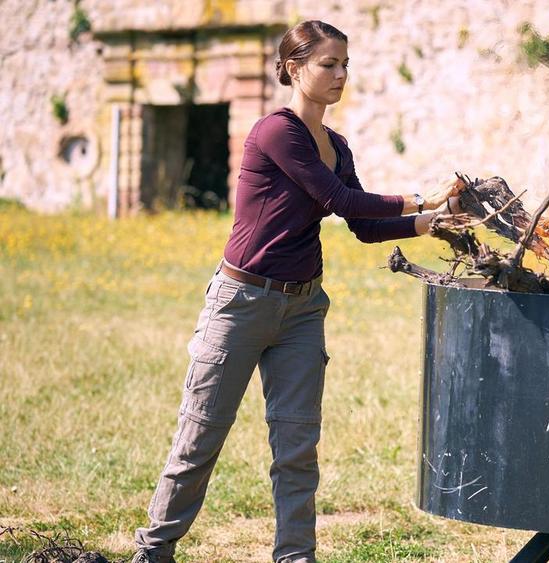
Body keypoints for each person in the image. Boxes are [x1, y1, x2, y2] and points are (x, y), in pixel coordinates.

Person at [131, 20, 460, 563]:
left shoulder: (338, 145)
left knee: (297, 450)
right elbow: (340, 200)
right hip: (241, 303)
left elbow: (365, 227)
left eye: (345, 65)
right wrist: (423, 197)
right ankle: (154, 550)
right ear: (292, 68)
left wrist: (433, 223)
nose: (339, 75)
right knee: (200, 440)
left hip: (303, 308)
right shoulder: (275, 132)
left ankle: (295, 558)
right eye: (328, 64)